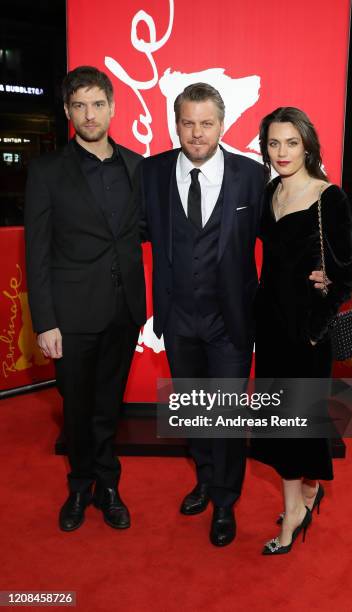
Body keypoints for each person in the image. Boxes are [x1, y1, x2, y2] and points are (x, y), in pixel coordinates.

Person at [140, 83, 265, 546]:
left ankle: (226, 502)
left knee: (228, 416)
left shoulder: (251, 176)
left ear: (222, 124)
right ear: (176, 124)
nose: (196, 133)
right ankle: (205, 479)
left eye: (206, 123)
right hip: (178, 319)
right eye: (187, 122)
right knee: (194, 411)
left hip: (230, 320)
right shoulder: (151, 173)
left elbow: (275, 243)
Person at [24, 66, 146, 531]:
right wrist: (45, 321)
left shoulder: (138, 166)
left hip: (123, 311)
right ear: (67, 112)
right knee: (75, 407)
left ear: (113, 108)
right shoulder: (47, 171)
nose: (90, 114)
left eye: (98, 104)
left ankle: (108, 484)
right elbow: (37, 251)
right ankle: (79, 486)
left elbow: (152, 231)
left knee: (108, 405)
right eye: (80, 105)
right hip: (70, 317)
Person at [252, 107, 352, 555]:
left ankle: (294, 510)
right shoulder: (269, 192)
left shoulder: (328, 197)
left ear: (308, 146)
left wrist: (329, 286)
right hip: (272, 326)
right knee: (282, 421)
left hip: (308, 331)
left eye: (291, 143)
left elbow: (350, 271)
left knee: (295, 423)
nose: (282, 152)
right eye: (274, 143)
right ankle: (306, 494)